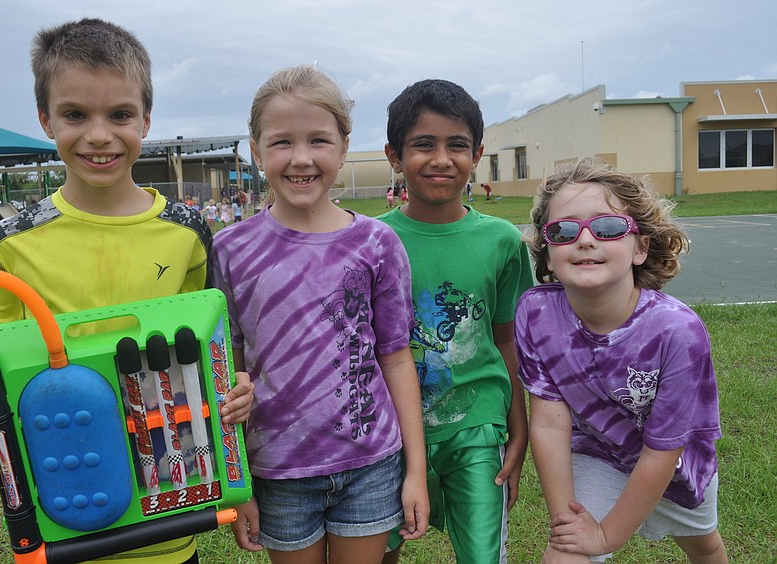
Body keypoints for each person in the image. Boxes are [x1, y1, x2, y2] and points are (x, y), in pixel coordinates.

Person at [0, 18, 254, 564]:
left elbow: (210, 351)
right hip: (66, 506)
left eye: (120, 114)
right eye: (75, 114)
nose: (99, 134)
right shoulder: (11, 243)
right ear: (45, 119)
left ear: (146, 119)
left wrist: (236, 390)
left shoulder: (186, 232)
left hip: (171, 505)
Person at [213, 65, 429, 564]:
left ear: (344, 148)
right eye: (282, 142)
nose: (302, 158)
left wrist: (414, 470)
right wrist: (238, 483)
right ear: (255, 148)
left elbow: (396, 359)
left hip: (371, 464)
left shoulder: (378, 243)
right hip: (277, 471)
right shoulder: (229, 250)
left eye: (319, 141)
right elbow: (227, 370)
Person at [516, 157, 727, 563]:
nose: (585, 239)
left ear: (640, 247)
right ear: (547, 250)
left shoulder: (677, 331)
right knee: (565, 555)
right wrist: (568, 524)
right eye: (562, 229)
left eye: (608, 226)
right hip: (598, 453)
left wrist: (607, 536)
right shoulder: (536, 313)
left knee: (703, 545)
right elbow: (547, 421)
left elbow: (662, 449)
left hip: (676, 467)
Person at [379, 79, 534, 564]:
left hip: (477, 424)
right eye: (423, 144)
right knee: (377, 552)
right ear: (394, 155)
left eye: (457, 145)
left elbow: (507, 340)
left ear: (477, 153)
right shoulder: (370, 242)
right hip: (391, 431)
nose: (441, 158)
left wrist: (518, 424)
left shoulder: (503, 241)